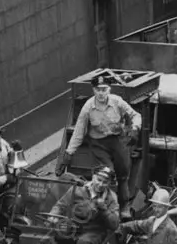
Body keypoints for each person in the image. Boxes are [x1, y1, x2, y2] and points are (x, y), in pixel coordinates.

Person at [59, 75, 142, 214]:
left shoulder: (117, 102)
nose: (101, 93)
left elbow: (136, 115)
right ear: (94, 90)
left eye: (104, 89)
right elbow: (79, 132)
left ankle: (124, 206)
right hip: (98, 144)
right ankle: (104, 207)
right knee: (106, 174)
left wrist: (135, 129)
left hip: (117, 140)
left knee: (123, 173)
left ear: (109, 90)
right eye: (98, 89)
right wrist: (68, 154)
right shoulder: (88, 107)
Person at [49, 165, 121, 244]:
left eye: (105, 182)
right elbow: (60, 205)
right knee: (52, 236)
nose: (100, 184)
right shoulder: (78, 189)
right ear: (93, 177)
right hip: (73, 228)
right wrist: (54, 215)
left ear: (109, 183)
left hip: (94, 232)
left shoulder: (111, 198)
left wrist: (104, 209)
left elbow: (115, 224)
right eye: (99, 180)